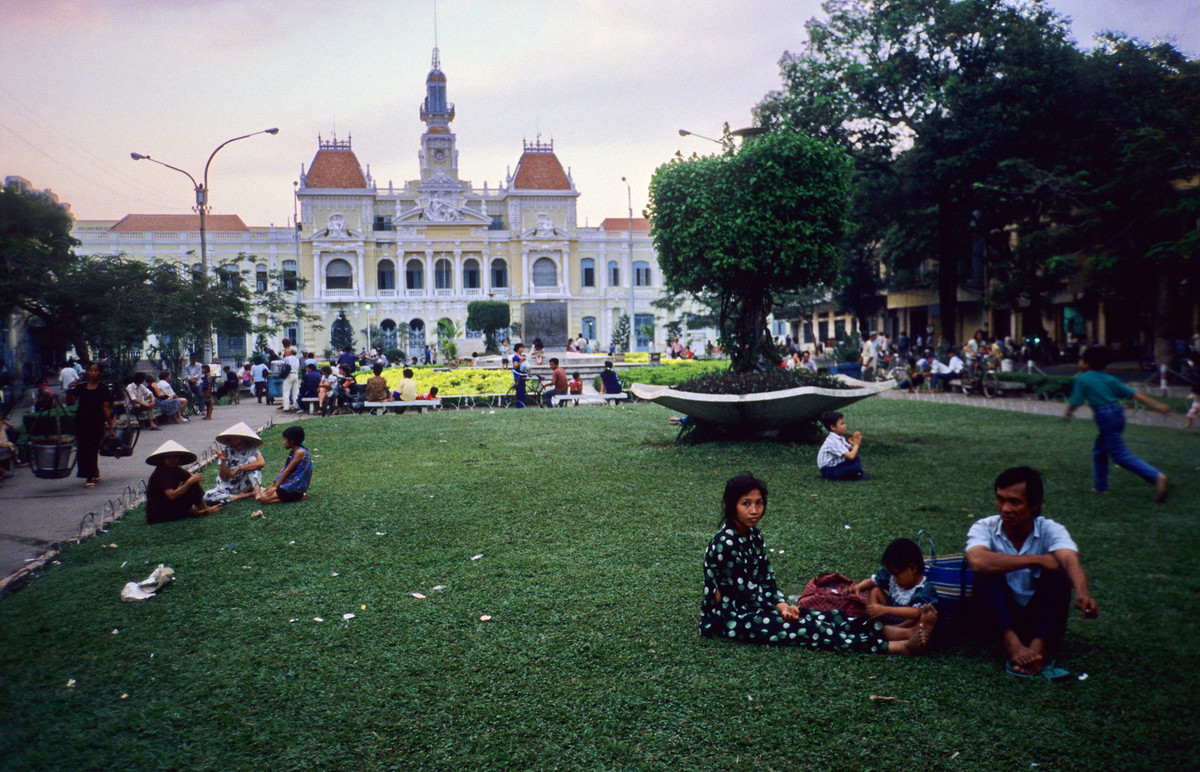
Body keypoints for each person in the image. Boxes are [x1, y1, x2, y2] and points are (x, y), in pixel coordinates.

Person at [700, 472, 933, 654]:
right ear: (732, 506)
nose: (754, 510)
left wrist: (782, 604)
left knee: (825, 617)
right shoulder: (726, 543)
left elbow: (766, 579)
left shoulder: (754, 535)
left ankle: (902, 632)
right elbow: (746, 591)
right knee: (809, 629)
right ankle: (898, 647)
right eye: (746, 504)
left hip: (761, 606)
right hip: (732, 618)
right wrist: (781, 608)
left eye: (759, 503)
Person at [966, 467, 1099, 678]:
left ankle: (1039, 648)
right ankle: (1012, 644)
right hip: (998, 617)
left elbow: (1070, 558)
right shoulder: (985, 527)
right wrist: (1038, 560)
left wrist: (1083, 594)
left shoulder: (1050, 529)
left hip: (1037, 618)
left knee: (1060, 570)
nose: (1005, 508)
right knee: (985, 570)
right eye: (1000, 499)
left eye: (1015, 502)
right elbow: (976, 560)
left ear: (1035, 505)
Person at [1063, 346, 1170, 502]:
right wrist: (1157, 405)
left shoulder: (1082, 378)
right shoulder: (1108, 378)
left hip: (1105, 416)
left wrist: (1068, 414)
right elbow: (1135, 394)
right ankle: (1100, 487)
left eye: (1081, 359)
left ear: (1086, 363)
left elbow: (1075, 401)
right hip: (1117, 413)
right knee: (1100, 449)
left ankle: (1157, 477)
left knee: (1120, 456)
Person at [854, 538, 940, 638]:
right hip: (887, 615)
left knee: (921, 618)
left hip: (905, 624)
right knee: (875, 590)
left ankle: (892, 632)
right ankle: (875, 619)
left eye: (896, 574)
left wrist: (886, 610)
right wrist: (858, 587)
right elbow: (874, 581)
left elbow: (918, 612)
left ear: (913, 568)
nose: (894, 578)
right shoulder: (893, 579)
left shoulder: (924, 590)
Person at [145, 440, 220, 523]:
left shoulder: (175, 469)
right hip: (159, 514)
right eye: (169, 457)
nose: (172, 460)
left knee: (192, 483)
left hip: (169, 506)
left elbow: (192, 478)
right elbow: (171, 495)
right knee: (191, 483)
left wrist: (192, 481)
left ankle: (202, 508)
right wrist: (189, 483)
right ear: (162, 459)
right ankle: (199, 510)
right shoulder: (161, 473)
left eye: (175, 457)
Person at [71, 362, 115, 488]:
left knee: (92, 448)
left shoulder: (103, 389)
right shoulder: (81, 387)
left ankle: (89, 476)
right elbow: (71, 401)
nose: (93, 373)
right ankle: (93, 471)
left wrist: (111, 427)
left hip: (96, 422)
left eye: (96, 371)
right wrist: (70, 389)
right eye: (91, 370)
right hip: (81, 421)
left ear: (100, 373)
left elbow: (106, 409)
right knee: (82, 449)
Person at [204, 422, 266, 506]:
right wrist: (223, 461)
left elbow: (261, 463)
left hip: (244, 484)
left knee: (253, 460)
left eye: (234, 439)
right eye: (230, 439)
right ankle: (243, 496)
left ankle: (257, 492)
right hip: (227, 487)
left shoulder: (251, 449)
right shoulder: (226, 451)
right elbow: (224, 477)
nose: (231, 442)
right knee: (206, 497)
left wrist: (239, 468)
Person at [257, 425, 311, 504]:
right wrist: (274, 484)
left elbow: (287, 470)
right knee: (263, 494)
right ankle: (294, 496)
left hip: (295, 487)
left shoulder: (300, 452)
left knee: (264, 499)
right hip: (288, 483)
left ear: (291, 441)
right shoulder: (294, 452)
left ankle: (298, 497)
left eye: (285, 439)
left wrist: (275, 487)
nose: (284, 442)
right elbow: (285, 470)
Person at [817, 410, 869, 481]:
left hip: (837, 465)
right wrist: (856, 444)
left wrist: (852, 445)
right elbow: (850, 456)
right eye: (842, 424)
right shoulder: (832, 441)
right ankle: (856, 475)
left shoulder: (840, 437)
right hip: (828, 470)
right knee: (854, 467)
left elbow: (849, 452)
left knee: (856, 459)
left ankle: (857, 474)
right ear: (833, 427)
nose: (845, 426)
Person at [280, 342, 301, 412]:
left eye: (286, 352)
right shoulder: (297, 359)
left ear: (290, 353)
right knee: (295, 392)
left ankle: (286, 407)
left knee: (286, 391)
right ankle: (296, 405)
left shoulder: (287, 358)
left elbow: (282, 364)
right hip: (296, 374)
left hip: (289, 375)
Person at [511, 343, 528, 408]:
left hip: (523, 374)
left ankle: (523, 403)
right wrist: (521, 361)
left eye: (523, 348)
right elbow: (516, 366)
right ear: (517, 349)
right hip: (518, 375)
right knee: (519, 390)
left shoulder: (524, 355)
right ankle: (519, 405)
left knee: (523, 390)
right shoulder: (515, 357)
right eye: (521, 348)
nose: (522, 349)